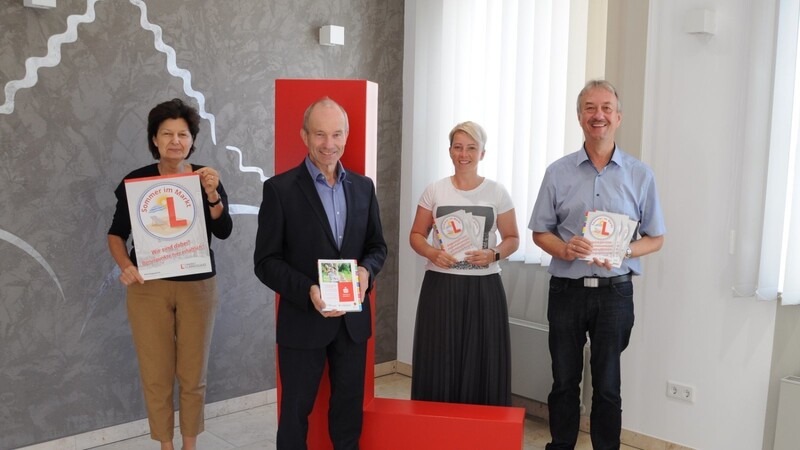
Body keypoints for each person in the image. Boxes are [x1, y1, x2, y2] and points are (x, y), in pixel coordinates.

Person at [528, 80, 666, 450]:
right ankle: (562, 446)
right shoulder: (558, 172)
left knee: (607, 385)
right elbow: (540, 233)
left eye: (606, 108)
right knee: (563, 382)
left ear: (618, 117)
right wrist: (564, 248)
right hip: (567, 291)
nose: (598, 115)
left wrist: (625, 252)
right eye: (590, 108)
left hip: (615, 293)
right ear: (579, 117)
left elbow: (656, 238)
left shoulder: (641, 175)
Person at [253, 97, 387, 449]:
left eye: (337, 134)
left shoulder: (363, 187)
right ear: (304, 136)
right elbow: (265, 262)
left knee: (347, 414)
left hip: (352, 324)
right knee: (295, 415)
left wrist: (365, 271)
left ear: (347, 135)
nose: (329, 144)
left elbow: (377, 247)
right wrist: (309, 290)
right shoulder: (279, 190)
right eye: (320, 134)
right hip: (302, 321)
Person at [107, 98, 233, 450]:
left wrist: (211, 195)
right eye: (167, 134)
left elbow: (224, 230)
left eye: (183, 134)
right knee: (156, 375)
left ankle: (189, 445)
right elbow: (116, 233)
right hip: (148, 287)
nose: (175, 140)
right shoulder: (136, 181)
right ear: (154, 140)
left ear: (192, 139)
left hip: (198, 287)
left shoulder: (205, 176)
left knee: (193, 375)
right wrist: (126, 267)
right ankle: (165, 445)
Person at [409, 121, 520, 406]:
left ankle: (482, 428)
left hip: (484, 287)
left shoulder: (497, 192)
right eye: (458, 147)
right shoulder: (435, 190)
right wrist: (432, 253)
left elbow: (512, 238)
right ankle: (436, 426)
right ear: (449, 151)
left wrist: (493, 254)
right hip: (441, 285)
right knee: (439, 355)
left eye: (472, 147)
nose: (464, 153)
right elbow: (416, 235)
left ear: (482, 153)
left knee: (483, 357)